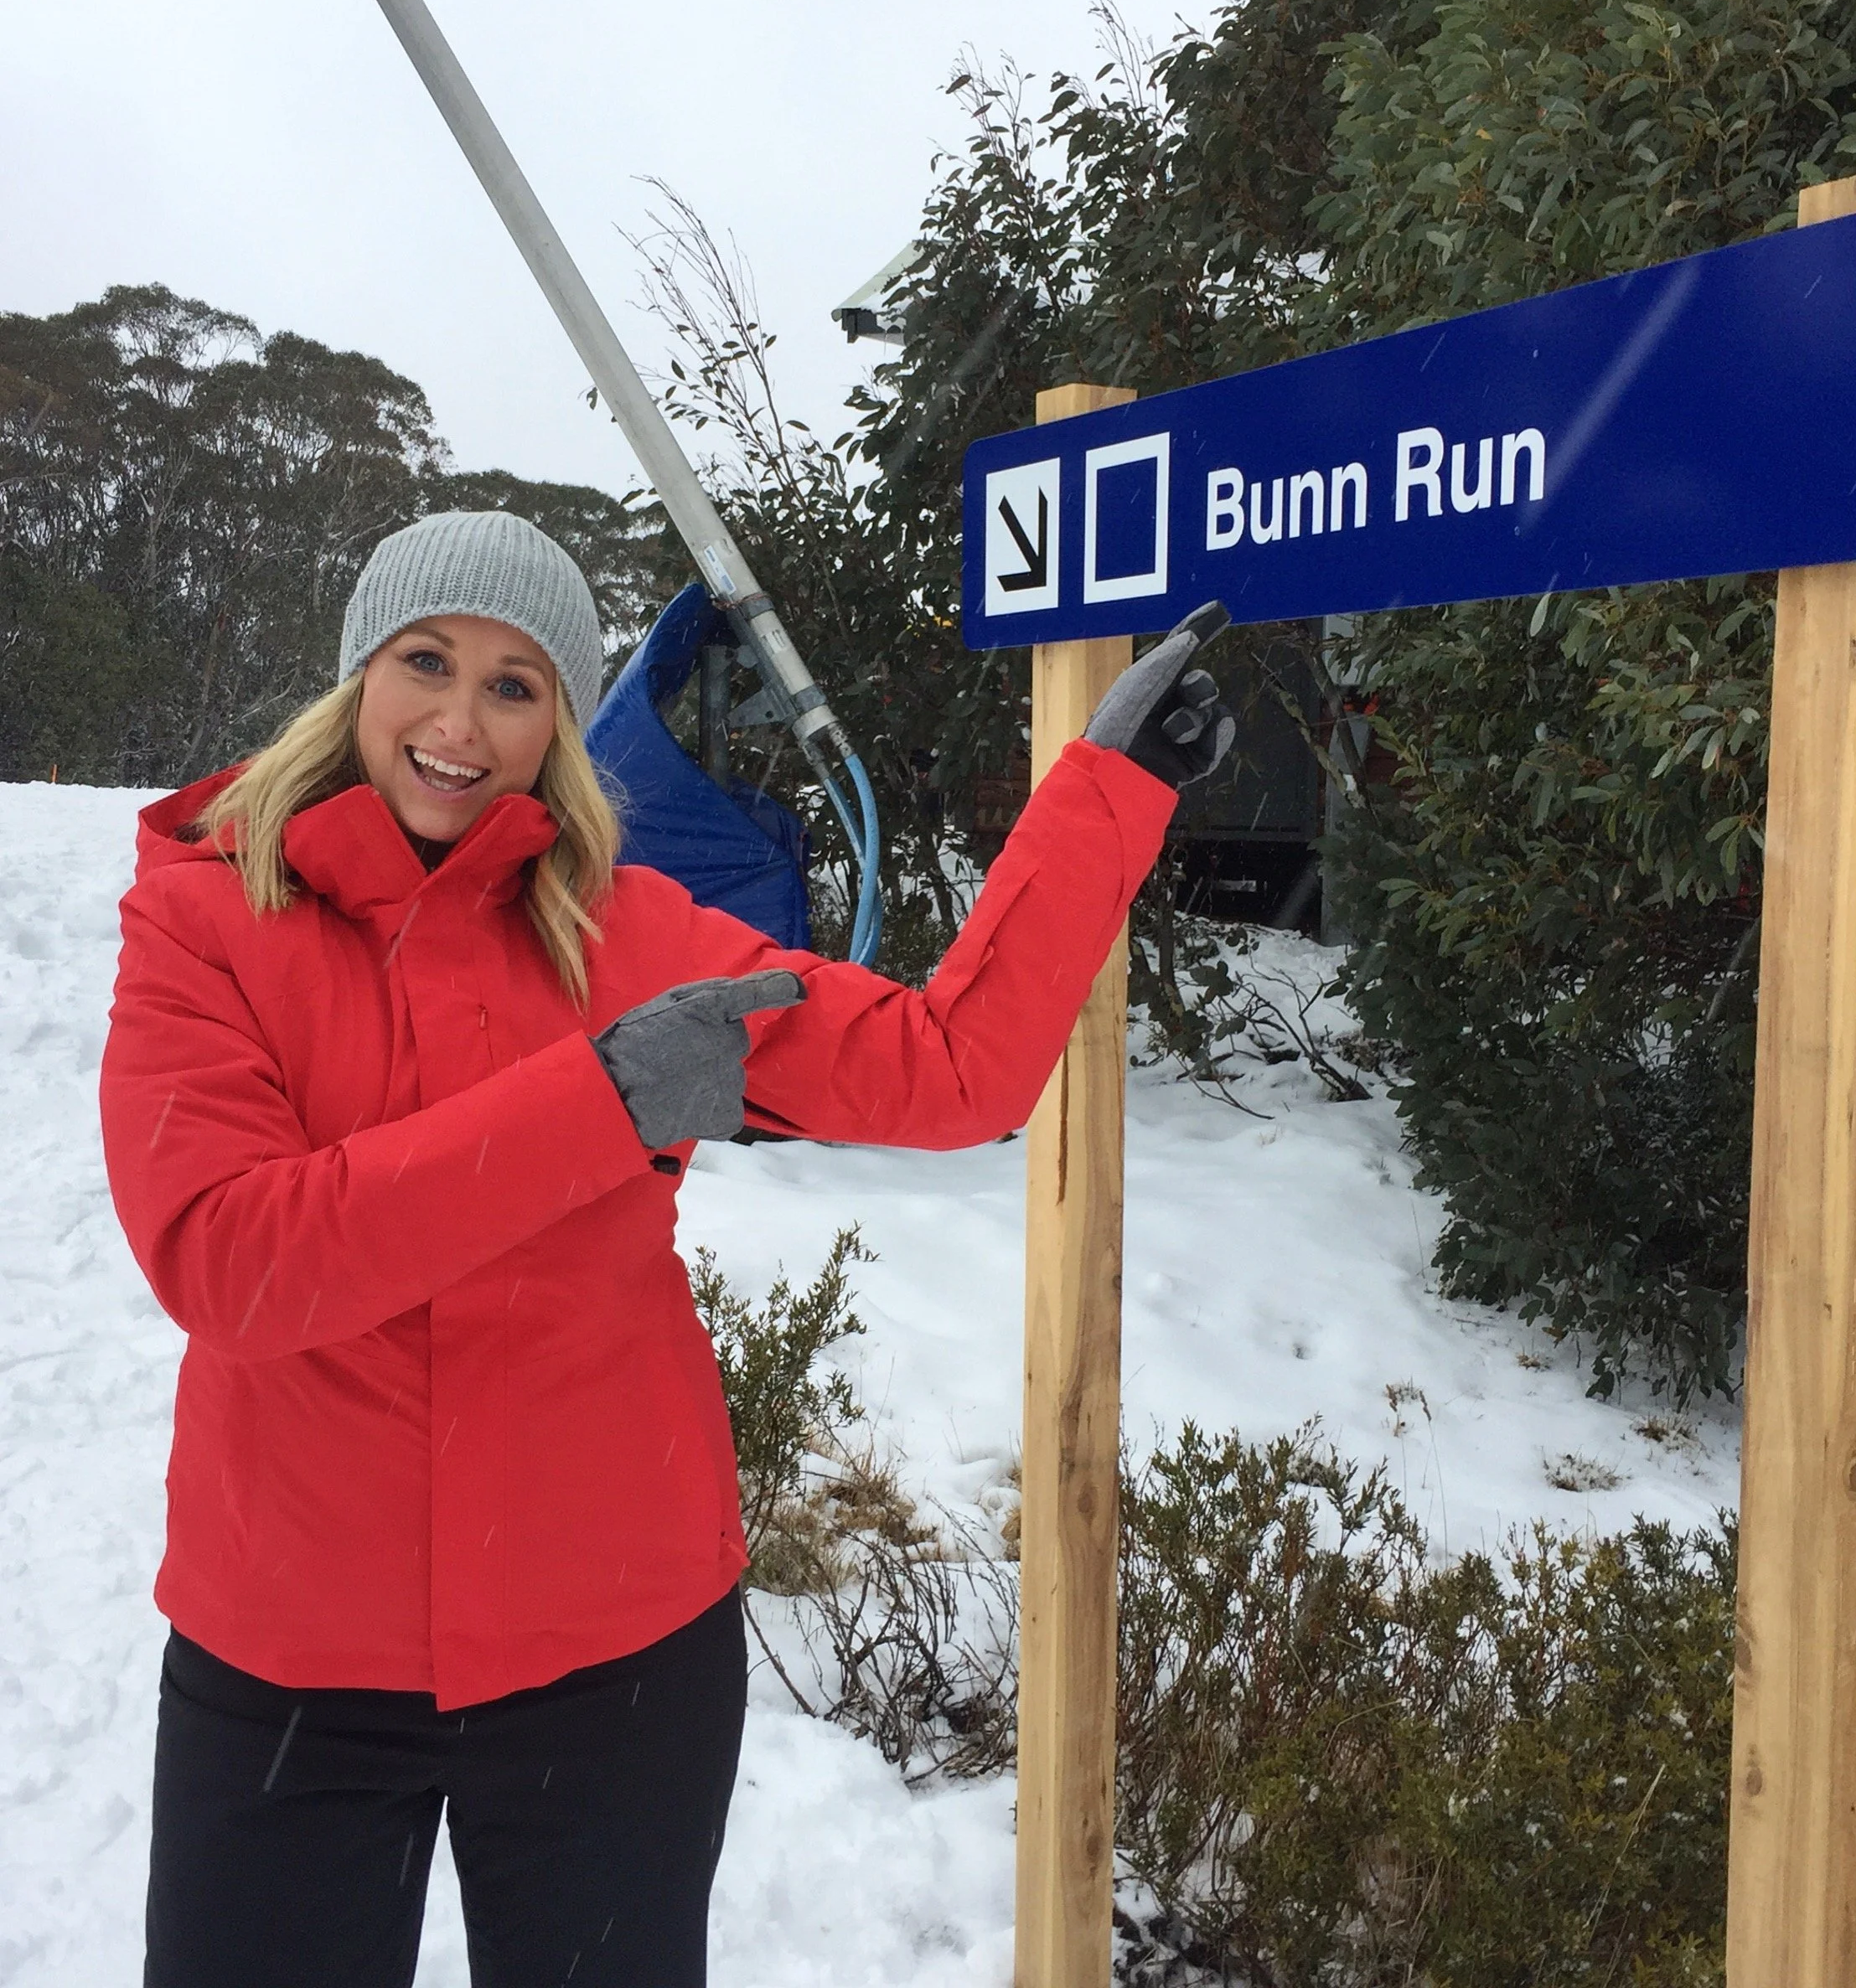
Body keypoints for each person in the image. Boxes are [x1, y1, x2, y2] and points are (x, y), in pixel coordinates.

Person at [97, 509, 1234, 1988]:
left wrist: (1109, 795)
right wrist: (599, 1103)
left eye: (518, 686)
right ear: (356, 675)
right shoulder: (208, 913)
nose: (461, 721)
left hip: (614, 1652)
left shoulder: (632, 933)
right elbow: (235, 1264)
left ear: (564, 722)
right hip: (292, 1651)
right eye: (426, 662)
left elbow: (953, 1069)